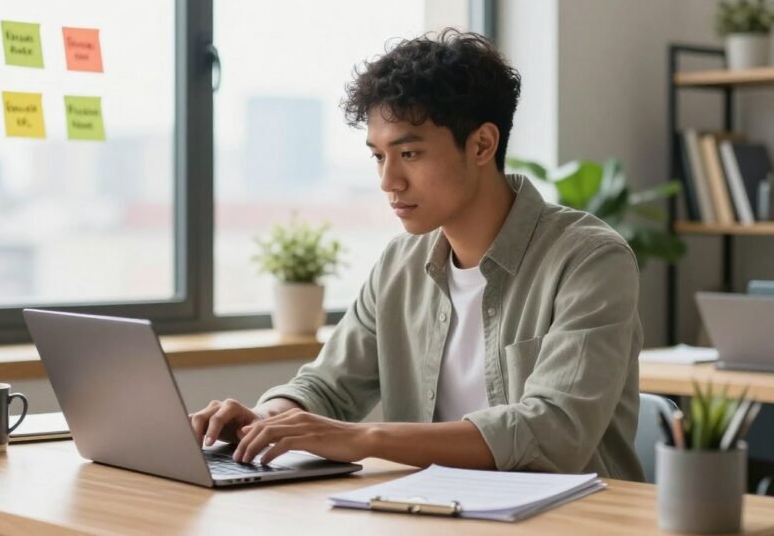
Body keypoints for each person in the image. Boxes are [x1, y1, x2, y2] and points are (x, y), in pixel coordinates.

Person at [189, 29, 644, 481]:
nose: (389, 181)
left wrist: (362, 438)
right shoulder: (399, 265)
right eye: (378, 157)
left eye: (409, 152)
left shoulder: (589, 259)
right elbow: (326, 387)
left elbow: (552, 433)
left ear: (483, 145)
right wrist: (266, 418)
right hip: (436, 512)